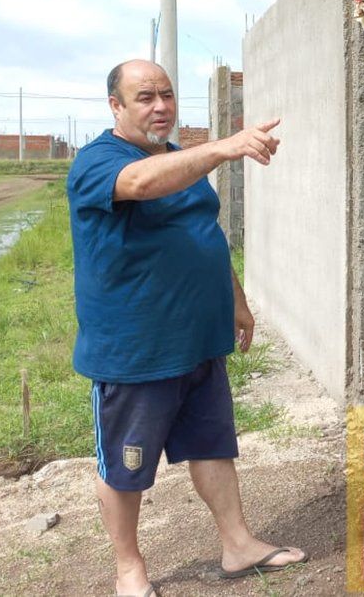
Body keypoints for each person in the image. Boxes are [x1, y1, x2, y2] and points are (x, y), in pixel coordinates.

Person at [66, 59, 303, 596]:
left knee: (212, 445)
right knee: (126, 466)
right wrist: (223, 147)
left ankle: (238, 544)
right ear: (116, 106)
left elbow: (205, 234)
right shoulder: (99, 161)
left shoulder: (179, 160)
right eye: (145, 97)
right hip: (135, 351)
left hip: (197, 341)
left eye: (167, 95)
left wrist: (237, 303)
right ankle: (129, 570)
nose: (161, 107)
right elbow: (139, 184)